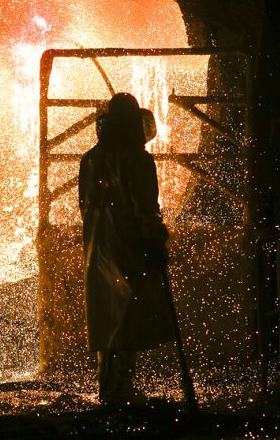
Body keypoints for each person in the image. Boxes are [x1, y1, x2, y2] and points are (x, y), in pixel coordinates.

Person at [78, 92, 179, 405]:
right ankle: (121, 387)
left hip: (97, 246)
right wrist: (156, 239)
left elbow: (84, 205)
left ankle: (109, 387)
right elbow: (146, 207)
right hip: (129, 245)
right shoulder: (138, 159)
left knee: (106, 313)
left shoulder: (90, 159)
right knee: (129, 313)